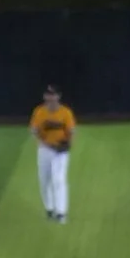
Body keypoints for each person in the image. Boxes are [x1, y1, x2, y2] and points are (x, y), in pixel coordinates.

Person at [30, 84, 76, 220]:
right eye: (48, 95)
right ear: (45, 96)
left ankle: (61, 212)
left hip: (60, 152)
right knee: (44, 181)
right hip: (44, 151)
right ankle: (50, 209)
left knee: (59, 180)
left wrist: (68, 144)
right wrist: (46, 144)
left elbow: (72, 131)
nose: (50, 97)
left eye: (53, 95)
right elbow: (33, 130)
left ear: (58, 96)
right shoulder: (39, 112)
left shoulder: (65, 112)